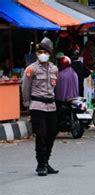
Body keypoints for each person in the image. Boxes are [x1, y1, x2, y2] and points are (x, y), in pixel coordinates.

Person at [21, 38, 60, 176]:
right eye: (40, 52)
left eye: (45, 52)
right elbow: (25, 87)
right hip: (37, 106)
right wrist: (27, 105)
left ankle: (46, 161)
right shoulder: (31, 69)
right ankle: (40, 165)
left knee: (52, 133)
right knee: (41, 135)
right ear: (37, 53)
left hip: (51, 106)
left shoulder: (54, 69)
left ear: (50, 53)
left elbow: (56, 88)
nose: (43, 54)